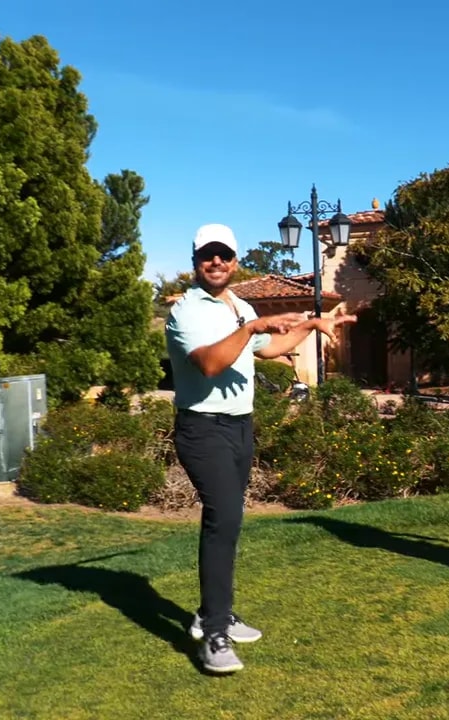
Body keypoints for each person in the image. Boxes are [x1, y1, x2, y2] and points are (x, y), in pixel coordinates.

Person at [165, 223, 356, 673]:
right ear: (196, 261)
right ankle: (213, 632)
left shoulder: (239, 304)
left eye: (224, 255)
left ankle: (218, 611)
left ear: (234, 260)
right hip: (202, 427)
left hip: (240, 426)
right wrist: (252, 326)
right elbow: (211, 363)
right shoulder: (187, 311)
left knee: (228, 522)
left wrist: (311, 322)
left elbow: (270, 349)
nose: (216, 262)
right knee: (224, 518)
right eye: (208, 255)